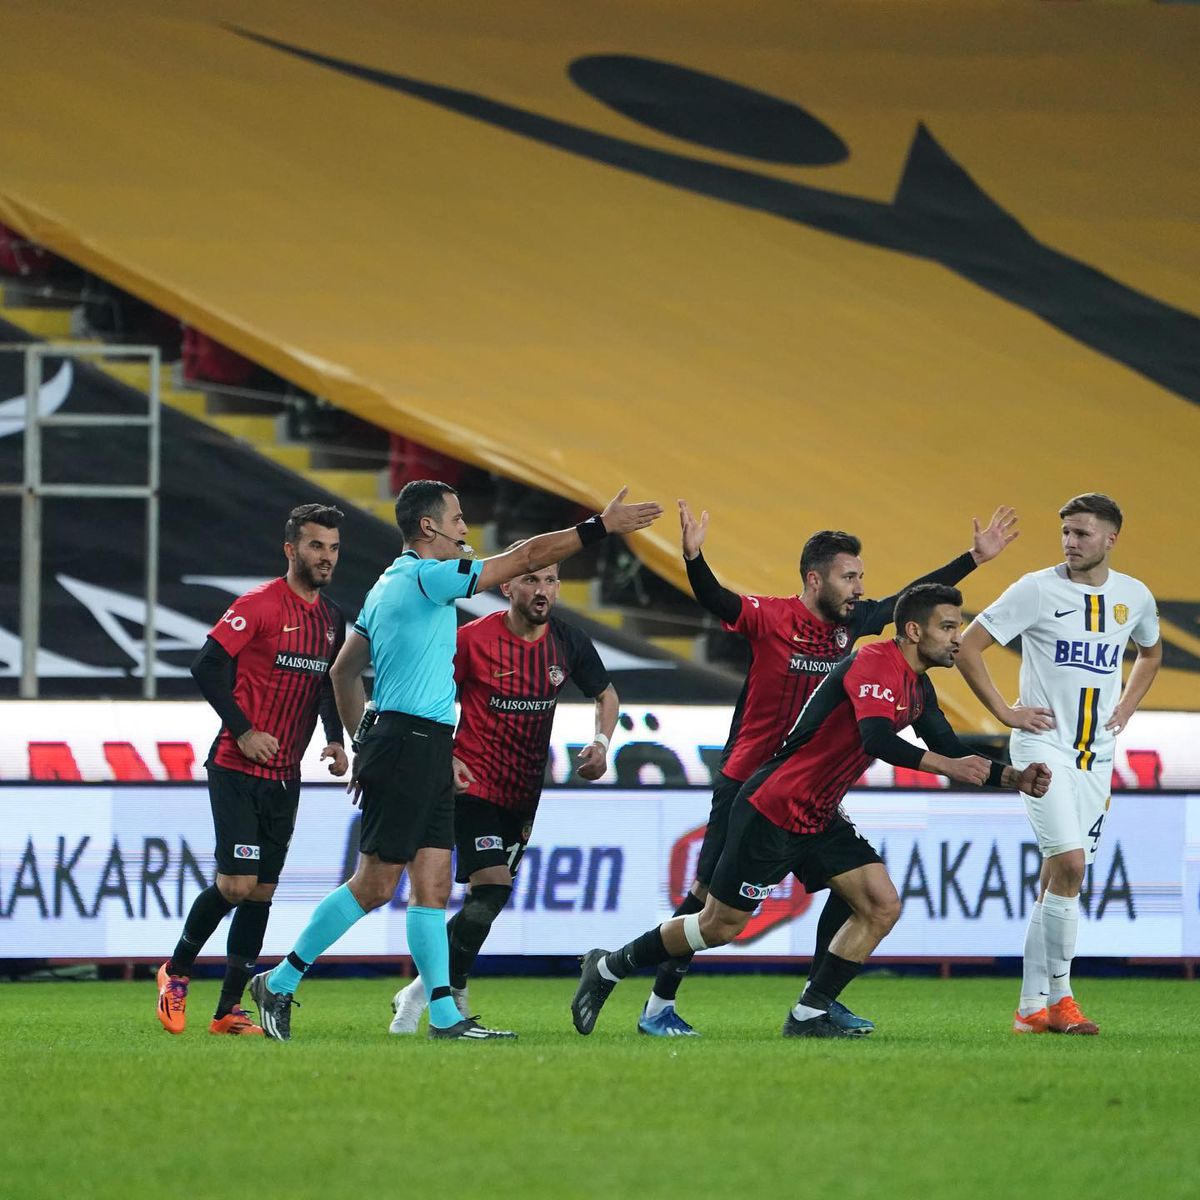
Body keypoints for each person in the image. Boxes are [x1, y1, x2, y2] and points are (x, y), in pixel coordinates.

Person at [250, 481, 662, 1041]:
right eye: (458, 518)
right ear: (429, 528)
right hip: (409, 743)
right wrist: (598, 528)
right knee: (374, 884)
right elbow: (522, 558)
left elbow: (343, 671)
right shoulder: (428, 577)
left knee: (434, 886)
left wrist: (365, 736)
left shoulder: (385, 585)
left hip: (421, 745)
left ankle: (444, 1016)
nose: (465, 529)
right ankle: (280, 980)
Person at [572, 583, 1051, 1038]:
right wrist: (945, 764)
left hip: (820, 814)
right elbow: (877, 739)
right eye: (948, 627)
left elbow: (951, 749)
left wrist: (1014, 778)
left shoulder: (918, 688)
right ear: (913, 631)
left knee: (880, 903)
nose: (957, 639)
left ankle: (811, 1010)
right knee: (719, 926)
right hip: (774, 806)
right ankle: (610, 965)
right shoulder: (872, 662)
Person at [638, 501, 1019, 1036]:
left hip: (809, 783)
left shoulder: (854, 625)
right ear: (815, 579)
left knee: (852, 893)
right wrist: (694, 557)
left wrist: (972, 560)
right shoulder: (770, 616)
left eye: (861, 576)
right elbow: (716, 599)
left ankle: (817, 1004)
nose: (860, 587)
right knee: (707, 902)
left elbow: (911, 602)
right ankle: (658, 1005)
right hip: (750, 780)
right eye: (849, 577)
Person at [955, 493, 1161, 1036]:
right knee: (1070, 864)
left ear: (1111, 538)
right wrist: (1005, 712)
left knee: (1057, 881)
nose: (1070, 542)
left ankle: (1030, 1009)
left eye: (1082, 534)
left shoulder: (1133, 597)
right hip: (1042, 748)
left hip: (1097, 755)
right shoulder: (1035, 589)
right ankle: (1064, 1000)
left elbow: (1152, 651)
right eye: (1066, 532)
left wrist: (1127, 706)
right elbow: (969, 646)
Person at [388, 555, 619, 1033]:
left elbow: (606, 695)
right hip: (471, 786)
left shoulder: (568, 642)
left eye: (551, 581)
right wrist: (444, 755)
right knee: (492, 888)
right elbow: (425, 695)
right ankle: (449, 999)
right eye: (531, 579)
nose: (543, 590)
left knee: (487, 900)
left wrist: (600, 744)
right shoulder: (472, 640)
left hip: (523, 794)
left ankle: (418, 993)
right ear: (507, 587)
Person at [155, 504, 348, 1036]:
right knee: (236, 885)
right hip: (237, 765)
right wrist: (243, 729)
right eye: (315, 546)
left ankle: (227, 1012)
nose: (326, 557)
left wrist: (334, 739)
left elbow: (326, 685)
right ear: (291, 550)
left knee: (261, 893)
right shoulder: (259, 606)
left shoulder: (331, 619)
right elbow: (206, 665)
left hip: (286, 775)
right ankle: (176, 972)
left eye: (332, 547)